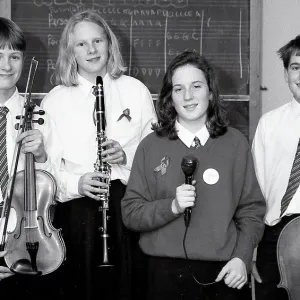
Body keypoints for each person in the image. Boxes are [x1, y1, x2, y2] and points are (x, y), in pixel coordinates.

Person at [121, 50, 266, 300]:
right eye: (179, 89)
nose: (188, 96)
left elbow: (251, 212)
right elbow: (131, 214)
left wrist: (241, 258)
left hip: (223, 272)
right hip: (163, 273)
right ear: (170, 98)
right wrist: (173, 207)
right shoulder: (150, 146)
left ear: (210, 92)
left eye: (196, 86)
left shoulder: (235, 144)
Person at [41, 9, 157, 300]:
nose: (91, 50)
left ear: (109, 44)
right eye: (81, 44)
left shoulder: (136, 91)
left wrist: (126, 156)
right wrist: (77, 184)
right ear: (71, 51)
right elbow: (47, 169)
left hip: (127, 206)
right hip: (78, 210)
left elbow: (157, 157)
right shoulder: (54, 100)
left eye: (98, 41)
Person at [0, 17, 62, 299]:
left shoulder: (39, 116)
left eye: (15, 56)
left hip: (26, 240)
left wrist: (40, 155)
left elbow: (52, 184)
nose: (7, 65)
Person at [252, 35, 300, 300]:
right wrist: (251, 245)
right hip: (275, 237)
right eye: (296, 67)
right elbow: (255, 190)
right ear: (286, 73)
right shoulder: (269, 124)